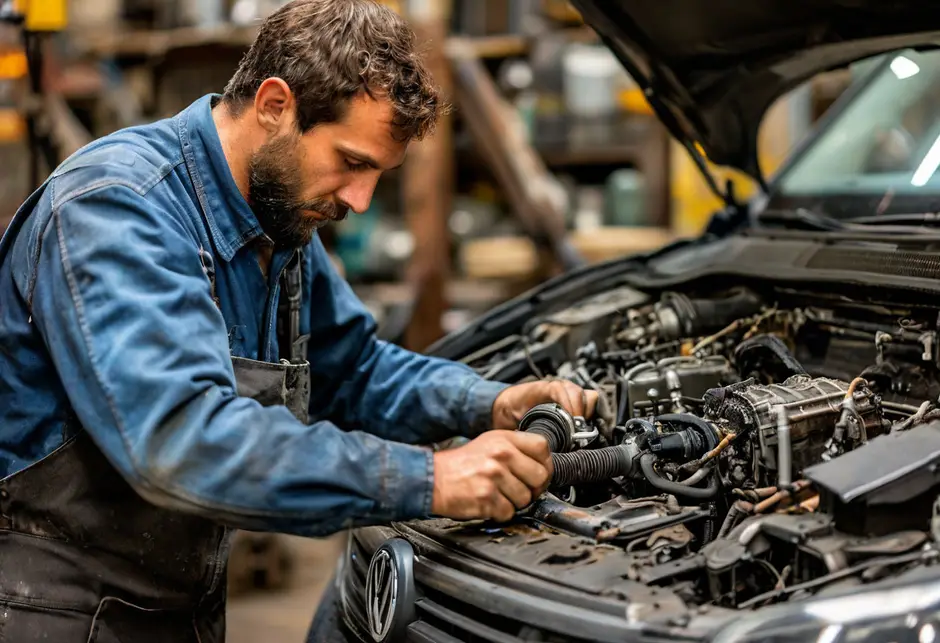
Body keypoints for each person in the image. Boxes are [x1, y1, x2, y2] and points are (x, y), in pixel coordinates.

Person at [0, 1, 597, 640]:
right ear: (275, 105)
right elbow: (182, 439)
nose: (359, 202)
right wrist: (432, 478)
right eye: (353, 162)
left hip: (178, 605)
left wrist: (489, 402)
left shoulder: (278, 221)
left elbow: (356, 371)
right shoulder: (117, 210)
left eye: (378, 175)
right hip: (54, 610)